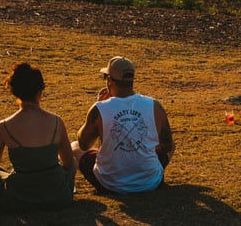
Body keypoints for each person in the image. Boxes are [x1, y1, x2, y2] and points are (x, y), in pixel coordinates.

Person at [0, 62, 75, 209]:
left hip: (18, 197)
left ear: (14, 91)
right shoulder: (56, 122)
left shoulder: (4, 126)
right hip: (58, 195)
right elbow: (69, 162)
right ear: (40, 91)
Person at [73, 56, 174, 193]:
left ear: (109, 80)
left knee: (74, 146)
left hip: (109, 184)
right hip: (150, 182)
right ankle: (145, 171)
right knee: (170, 145)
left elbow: (84, 143)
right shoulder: (154, 105)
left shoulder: (99, 108)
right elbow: (167, 145)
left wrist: (99, 105)